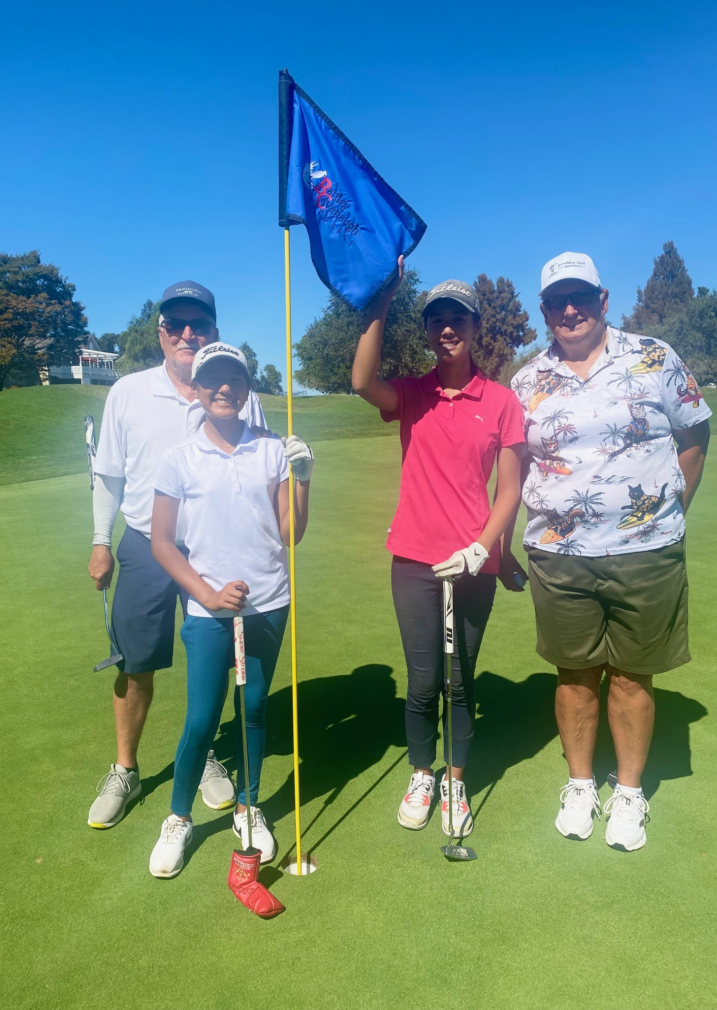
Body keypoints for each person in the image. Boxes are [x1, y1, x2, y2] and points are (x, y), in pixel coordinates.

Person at [511, 252, 711, 851]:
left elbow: (695, 433)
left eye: (579, 296)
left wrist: (669, 508)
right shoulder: (526, 381)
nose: (568, 309)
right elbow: (511, 464)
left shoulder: (654, 356)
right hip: (557, 552)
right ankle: (580, 784)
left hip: (645, 551)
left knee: (630, 675)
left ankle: (628, 793)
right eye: (555, 301)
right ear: (544, 311)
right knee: (574, 674)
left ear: (602, 299)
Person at [352, 258, 526, 839]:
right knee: (423, 679)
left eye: (458, 318)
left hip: (473, 565)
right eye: (436, 319)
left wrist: (484, 549)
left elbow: (511, 487)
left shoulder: (501, 401)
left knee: (460, 679)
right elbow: (360, 383)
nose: (447, 327)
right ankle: (422, 774)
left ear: (476, 328)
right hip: (415, 560)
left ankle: (454, 779)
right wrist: (381, 303)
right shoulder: (410, 393)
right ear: (426, 330)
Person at [87, 281, 268, 829]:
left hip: (216, 548)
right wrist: (101, 541)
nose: (187, 334)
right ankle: (126, 768)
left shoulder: (239, 392)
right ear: (160, 333)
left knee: (212, 665)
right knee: (136, 661)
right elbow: (110, 475)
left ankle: (206, 753)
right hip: (146, 543)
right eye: (176, 325)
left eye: (200, 325)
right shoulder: (128, 391)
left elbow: (257, 467)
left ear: (215, 331)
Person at [146, 342, 313, 878]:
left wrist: (303, 479)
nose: (223, 388)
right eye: (212, 379)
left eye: (234, 379)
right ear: (196, 390)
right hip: (208, 612)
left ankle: (248, 807)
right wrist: (206, 594)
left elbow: (292, 535)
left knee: (256, 709)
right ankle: (178, 817)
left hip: (268, 603)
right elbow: (163, 543)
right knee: (201, 719)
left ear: (246, 388)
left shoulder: (271, 450)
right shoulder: (178, 460)